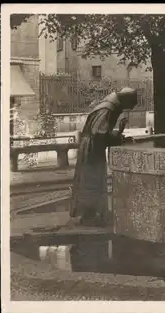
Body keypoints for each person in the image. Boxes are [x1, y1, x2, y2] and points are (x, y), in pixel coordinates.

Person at [68, 87, 138, 227]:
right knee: (91, 182)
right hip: (92, 150)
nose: (125, 109)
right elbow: (100, 136)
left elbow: (101, 132)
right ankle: (88, 217)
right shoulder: (107, 109)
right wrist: (118, 139)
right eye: (127, 105)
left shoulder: (108, 107)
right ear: (124, 100)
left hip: (93, 148)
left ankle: (94, 214)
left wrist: (119, 133)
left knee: (95, 181)